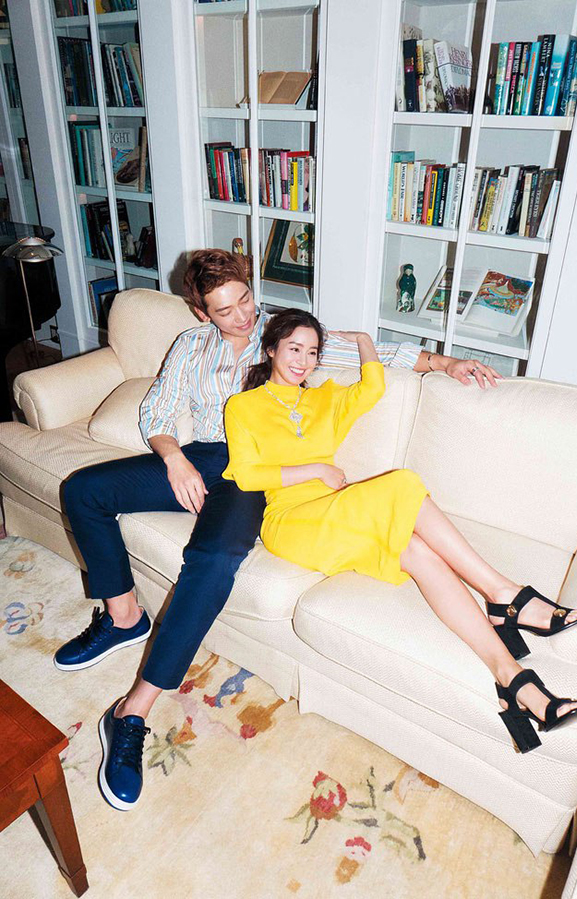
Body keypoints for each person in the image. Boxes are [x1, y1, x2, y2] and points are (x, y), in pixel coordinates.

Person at [55, 249, 511, 812]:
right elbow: (157, 412)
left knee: (215, 558)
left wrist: (445, 363)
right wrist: (173, 459)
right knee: (84, 490)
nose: (242, 315)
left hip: (253, 476)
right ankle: (124, 616)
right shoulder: (189, 346)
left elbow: (374, 352)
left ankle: (132, 711)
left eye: (245, 298)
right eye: (225, 310)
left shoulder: (280, 336)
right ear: (201, 312)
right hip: (199, 456)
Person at [223, 308, 577, 755]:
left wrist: (364, 340)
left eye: (313, 352)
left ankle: (514, 680)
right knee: (401, 482)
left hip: (336, 513)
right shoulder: (243, 406)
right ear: (271, 349)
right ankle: (505, 594)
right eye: (294, 349)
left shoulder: (324, 397)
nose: (303, 361)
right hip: (291, 522)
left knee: (418, 552)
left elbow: (373, 386)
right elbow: (245, 474)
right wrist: (316, 468)